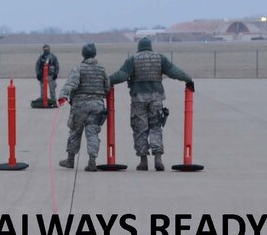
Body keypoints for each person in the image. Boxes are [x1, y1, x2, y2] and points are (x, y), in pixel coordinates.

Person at [109, 37, 194, 171]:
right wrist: (188, 79)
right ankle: (158, 158)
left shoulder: (133, 59)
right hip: (156, 99)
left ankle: (143, 161)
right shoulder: (159, 58)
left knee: (140, 129)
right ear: (150, 47)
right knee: (156, 127)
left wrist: (107, 80)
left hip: (138, 100)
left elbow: (121, 75)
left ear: (139, 47)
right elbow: (174, 71)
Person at [56, 43, 111, 172]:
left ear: (83, 54)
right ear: (95, 53)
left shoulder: (79, 68)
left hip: (80, 105)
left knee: (75, 132)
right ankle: (92, 161)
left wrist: (63, 95)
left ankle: (70, 160)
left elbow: (71, 83)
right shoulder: (102, 69)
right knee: (92, 133)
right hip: (97, 106)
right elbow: (107, 87)